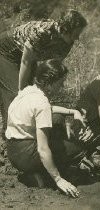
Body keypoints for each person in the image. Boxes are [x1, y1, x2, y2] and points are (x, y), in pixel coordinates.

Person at [0, 9, 87, 138]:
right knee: (15, 96)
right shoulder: (43, 32)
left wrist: (44, 95)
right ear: (66, 28)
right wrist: (21, 92)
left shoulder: (67, 42)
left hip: (29, 56)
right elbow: (25, 62)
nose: (77, 37)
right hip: (7, 52)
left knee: (33, 93)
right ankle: (11, 138)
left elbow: (52, 69)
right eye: (75, 33)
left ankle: (30, 130)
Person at [5, 59, 85, 197]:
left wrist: (73, 112)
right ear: (49, 84)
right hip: (26, 156)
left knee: (58, 118)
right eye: (60, 83)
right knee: (78, 148)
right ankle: (44, 177)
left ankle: (41, 172)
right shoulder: (41, 103)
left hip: (13, 150)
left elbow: (49, 109)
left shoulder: (27, 91)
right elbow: (42, 149)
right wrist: (59, 180)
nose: (63, 87)